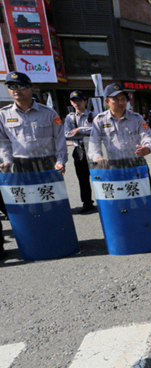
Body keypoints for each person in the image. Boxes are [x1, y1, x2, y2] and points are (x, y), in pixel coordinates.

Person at [87, 83, 151, 243]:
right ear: (107, 101)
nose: (120, 102)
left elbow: (146, 136)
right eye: (115, 99)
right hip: (114, 168)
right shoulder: (100, 120)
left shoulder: (136, 118)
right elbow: (93, 144)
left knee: (147, 199)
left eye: (123, 98)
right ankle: (125, 231)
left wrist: (147, 147)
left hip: (136, 166)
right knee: (120, 201)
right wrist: (97, 157)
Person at [0, 71, 68, 258]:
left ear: (31, 88)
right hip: (20, 166)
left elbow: (59, 139)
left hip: (46, 164)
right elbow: (3, 142)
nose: (16, 90)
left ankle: (56, 239)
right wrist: (6, 161)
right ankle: (35, 241)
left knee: (51, 203)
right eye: (12, 87)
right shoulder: (4, 115)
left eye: (21, 86)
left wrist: (60, 161)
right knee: (27, 206)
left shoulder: (48, 113)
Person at [64, 91, 95, 213]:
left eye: (79, 100)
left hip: (93, 149)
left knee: (98, 177)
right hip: (78, 150)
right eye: (74, 101)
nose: (77, 103)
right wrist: (84, 133)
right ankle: (87, 203)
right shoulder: (69, 117)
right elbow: (67, 134)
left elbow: (97, 131)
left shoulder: (93, 115)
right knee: (82, 179)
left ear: (85, 101)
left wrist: (79, 130)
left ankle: (104, 200)